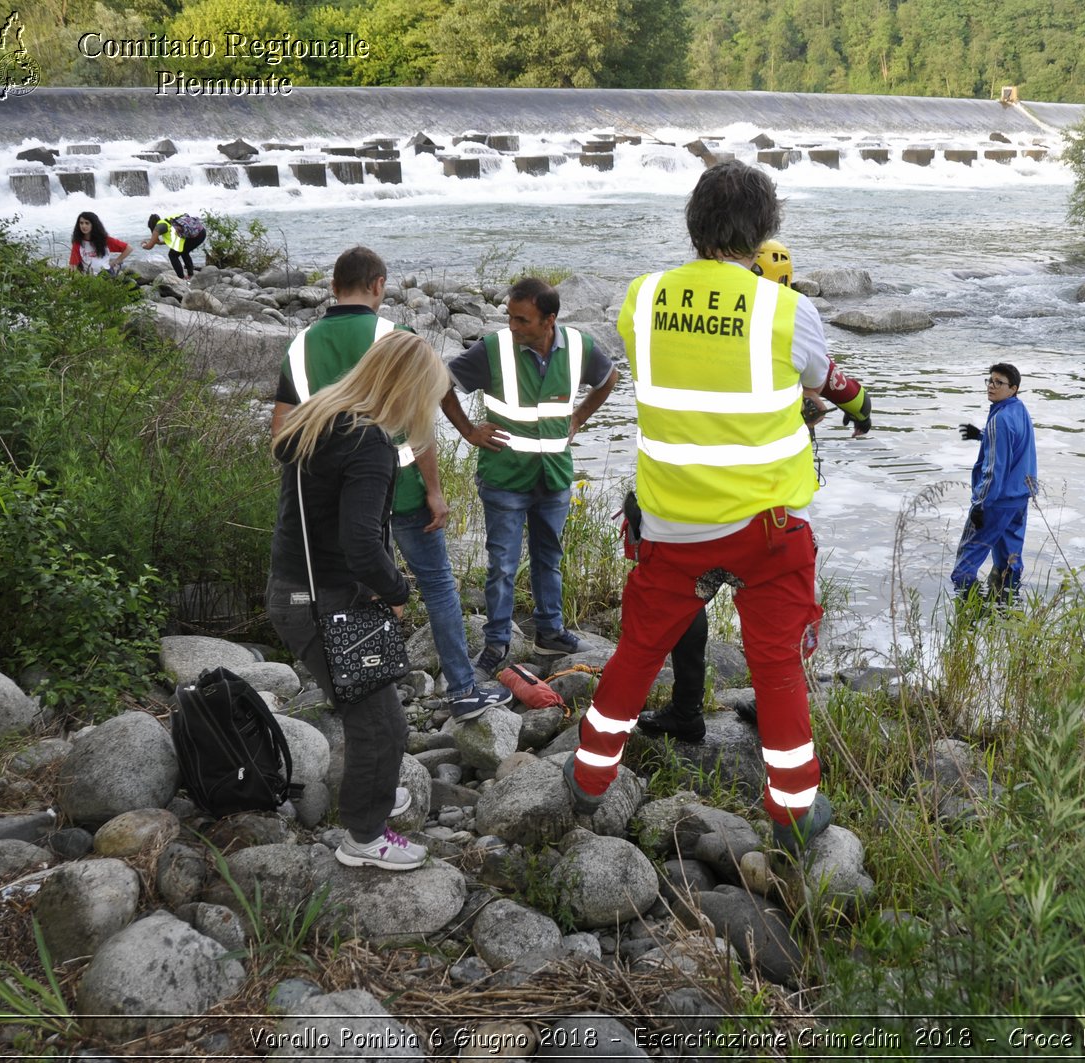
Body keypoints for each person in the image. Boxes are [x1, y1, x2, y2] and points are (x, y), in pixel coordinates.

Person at [567, 160, 836, 852]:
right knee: (775, 663)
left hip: (669, 522)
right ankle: (793, 810)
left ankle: (589, 777)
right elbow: (815, 379)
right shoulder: (787, 308)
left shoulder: (643, 296)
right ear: (766, 229)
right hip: (764, 529)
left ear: (693, 223)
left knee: (636, 649)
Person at [638, 238, 874, 742]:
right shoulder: (787, 316)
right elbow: (833, 384)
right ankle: (775, 716)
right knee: (780, 626)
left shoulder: (693, 310)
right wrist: (861, 410)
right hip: (769, 508)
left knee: (686, 605)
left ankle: (687, 709)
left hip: (686, 494)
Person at [270, 245, 508, 721]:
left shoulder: (300, 345)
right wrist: (436, 490)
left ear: (334, 286)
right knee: (437, 583)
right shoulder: (394, 335)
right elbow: (419, 421)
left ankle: (361, 685)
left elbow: (281, 434)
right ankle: (462, 690)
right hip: (399, 486)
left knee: (355, 590)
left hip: (332, 501)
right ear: (378, 284)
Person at [267, 331, 450, 872]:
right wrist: (399, 591)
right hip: (324, 600)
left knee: (373, 709)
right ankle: (365, 838)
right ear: (409, 390)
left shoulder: (325, 414)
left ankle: (373, 790)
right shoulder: (368, 443)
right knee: (380, 722)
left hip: (296, 587)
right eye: (430, 398)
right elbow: (363, 544)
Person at [441, 276, 619, 677]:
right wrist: (469, 431)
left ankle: (550, 632)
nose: (513, 327)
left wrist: (580, 416)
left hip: (554, 476)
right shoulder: (493, 349)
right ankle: (497, 642)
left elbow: (609, 379)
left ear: (549, 320)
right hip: (504, 477)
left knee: (549, 558)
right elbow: (439, 384)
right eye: (510, 318)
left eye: (522, 320)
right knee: (502, 565)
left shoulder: (577, 347)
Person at [953, 362, 1036, 606]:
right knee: (1008, 564)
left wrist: (980, 504)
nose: (991, 386)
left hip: (996, 502)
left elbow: (995, 470)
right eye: (990, 381)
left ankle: (968, 621)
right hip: (1019, 499)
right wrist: (981, 435)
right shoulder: (1019, 410)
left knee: (964, 568)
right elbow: (1014, 444)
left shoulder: (999, 420)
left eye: (999, 383)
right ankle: (1006, 614)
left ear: (1013, 389)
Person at [142, 211, 204, 278]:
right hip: (201, 231)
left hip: (196, 236)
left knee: (172, 255)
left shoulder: (158, 227)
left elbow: (149, 246)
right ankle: (190, 274)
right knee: (183, 251)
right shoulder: (168, 222)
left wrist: (143, 244)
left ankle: (182, 278)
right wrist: (159, 243)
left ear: (151, 226)